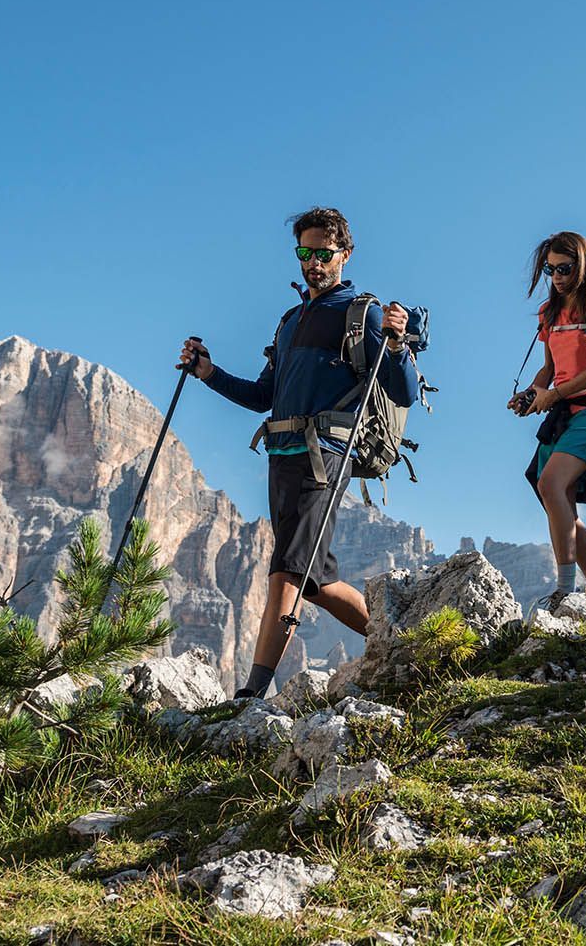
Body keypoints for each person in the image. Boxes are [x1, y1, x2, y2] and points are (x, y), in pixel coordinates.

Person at [178, 207, 419, 699]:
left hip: (326, 454)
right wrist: (208, 371)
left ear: (344, 256)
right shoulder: (290, 320)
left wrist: (395, 345)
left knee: (287, 569)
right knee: (314, 580)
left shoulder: (363, 312)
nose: (313, 262)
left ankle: (252, 692)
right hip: (281, 454)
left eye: (323, 254)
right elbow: (263, 395)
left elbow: (404, 392)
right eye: (304, 253)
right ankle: (404, 645)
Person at [513, 231, 586, 606]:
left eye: (564, 268)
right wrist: (532, 394)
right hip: (562, 412)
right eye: (550, 270)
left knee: (551, 486)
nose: (557, 277)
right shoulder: (550, 313)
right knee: (558, 500)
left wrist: (554, 395)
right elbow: (549, 368)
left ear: (582, 265)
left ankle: (565, 590)